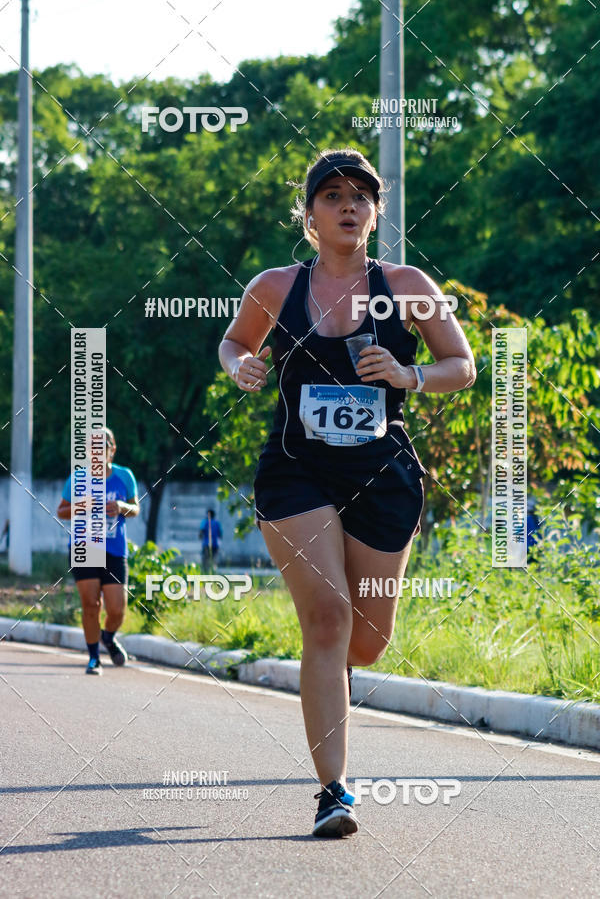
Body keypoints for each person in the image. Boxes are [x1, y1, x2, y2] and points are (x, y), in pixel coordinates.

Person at [218, 148, 477, 837]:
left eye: (361, 194)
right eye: (332, 194)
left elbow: (463, 364)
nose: (348, 205)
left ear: (376, 210)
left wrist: (406, 374)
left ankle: (328, 675)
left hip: (382, 474)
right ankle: (334, 792)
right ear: (308, 213)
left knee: (366, 643)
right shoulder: (276, 285)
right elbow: (234, 341)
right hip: (296, 471)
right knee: (327, 619)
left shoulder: (409, 283)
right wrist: (243, 364)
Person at [57, 426, 139, 675]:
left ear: (111, 450)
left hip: (114, 549)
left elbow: (135, 509)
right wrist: (84, 505)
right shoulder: (78, 478)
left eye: (101, 447)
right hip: (85, 548)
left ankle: (108, 637)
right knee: (91, 605)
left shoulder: (124, 476)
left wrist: (122, 506)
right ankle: (94, 658)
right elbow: (61, 511)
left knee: (116, 609)